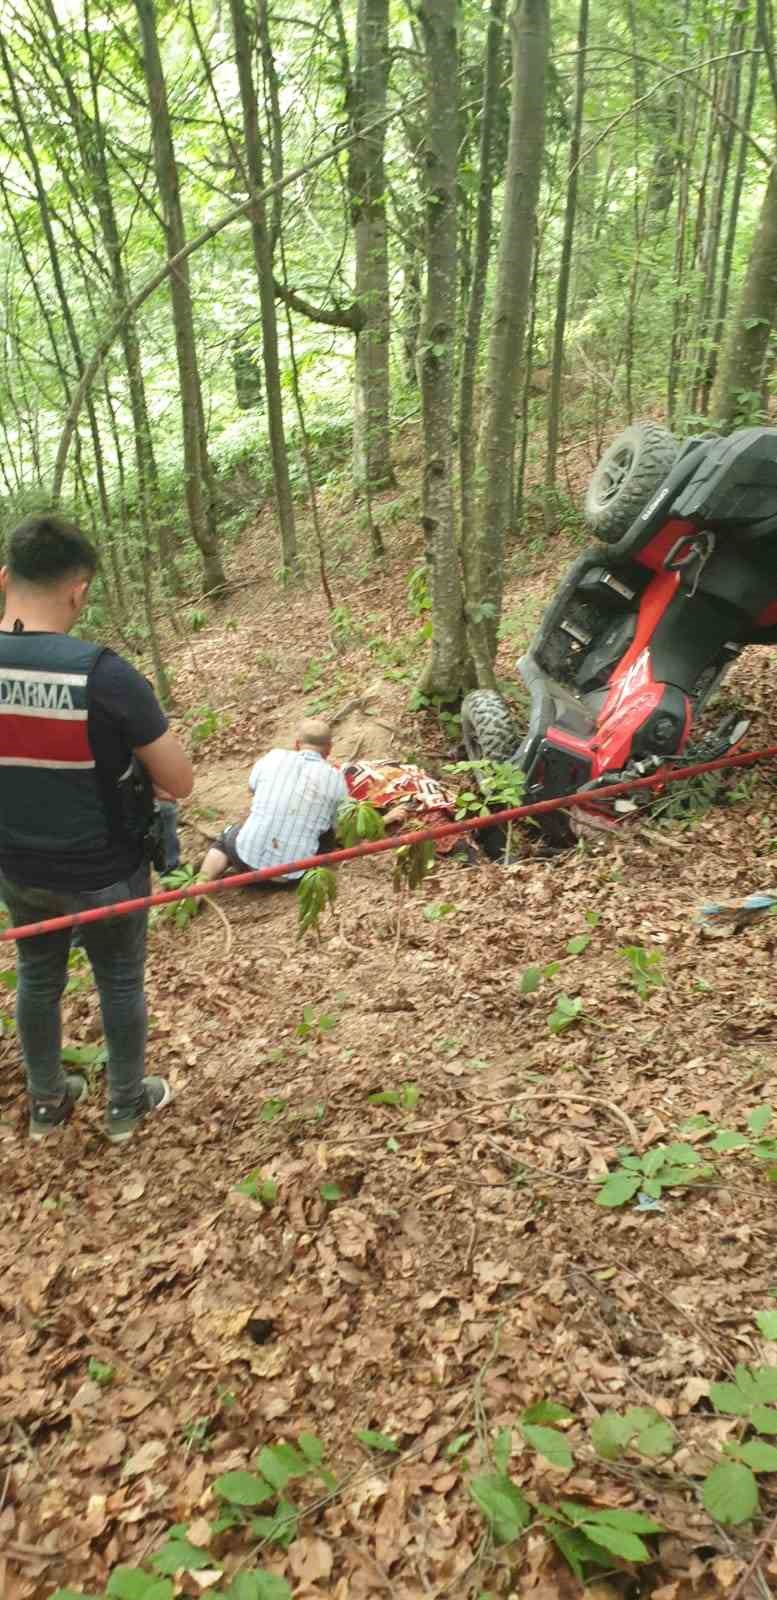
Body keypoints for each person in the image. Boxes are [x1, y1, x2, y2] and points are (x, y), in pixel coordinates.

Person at [0, 513, 193, 1143]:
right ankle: (126, 1105)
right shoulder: (103, 674)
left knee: (37, 973)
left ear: (6, 578)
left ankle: (47, 1106)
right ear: (78, 590)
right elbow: (181, 780)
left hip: (20, 867)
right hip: (107, 869)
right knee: (117, 978)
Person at [199, 718, 348, 885]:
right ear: (329, 749)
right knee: (326, 830)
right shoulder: (336, 779)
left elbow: (253, 788)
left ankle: (198, 888)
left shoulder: (273, 757)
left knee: (225, 840)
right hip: (297, 875)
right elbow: (339, 820)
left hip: (244, 860)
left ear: (297, 744)